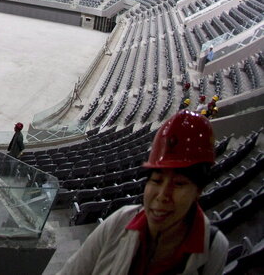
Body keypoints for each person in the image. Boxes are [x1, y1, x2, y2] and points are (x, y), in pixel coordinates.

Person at [59, 111, 228, 275]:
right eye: (156, 180)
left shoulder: (213, 248)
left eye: (178, 184)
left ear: (198, 190)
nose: (162, 196)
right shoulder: (119, 221)